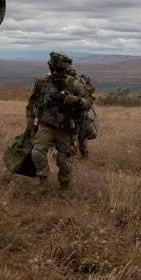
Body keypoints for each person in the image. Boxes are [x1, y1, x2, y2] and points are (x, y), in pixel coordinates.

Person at [25, 52, 91, 189]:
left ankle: (64, 186)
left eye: (57, 67)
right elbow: (31, 104)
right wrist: (30, 123)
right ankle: (43, 182)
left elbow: (88, 103)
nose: (55, 69)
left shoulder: (74, 83)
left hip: (66, 127)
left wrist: (77, 100)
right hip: (46, 125)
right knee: (37, 153)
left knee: (64, 159)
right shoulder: (42, 83)